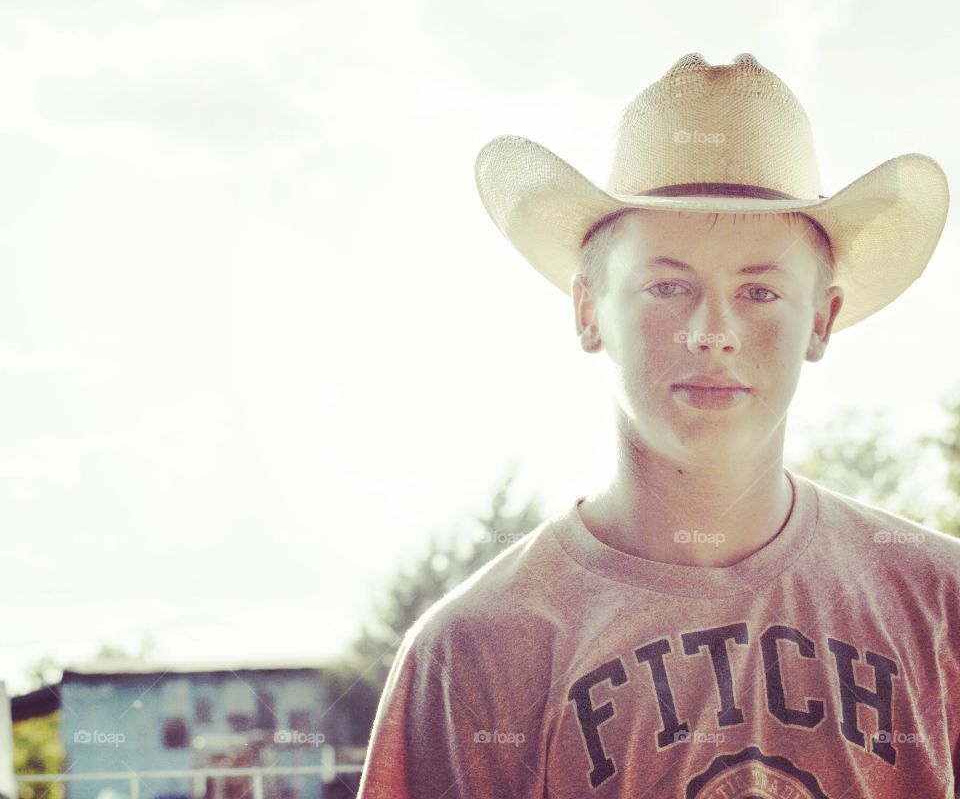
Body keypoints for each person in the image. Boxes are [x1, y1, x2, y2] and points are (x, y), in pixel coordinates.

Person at [356, 52, 956, 798]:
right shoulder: (476, 652)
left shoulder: (942, 609)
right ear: (588, 310)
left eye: (761, 291)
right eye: (667, 285)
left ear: (823, 319)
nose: (713, 331)